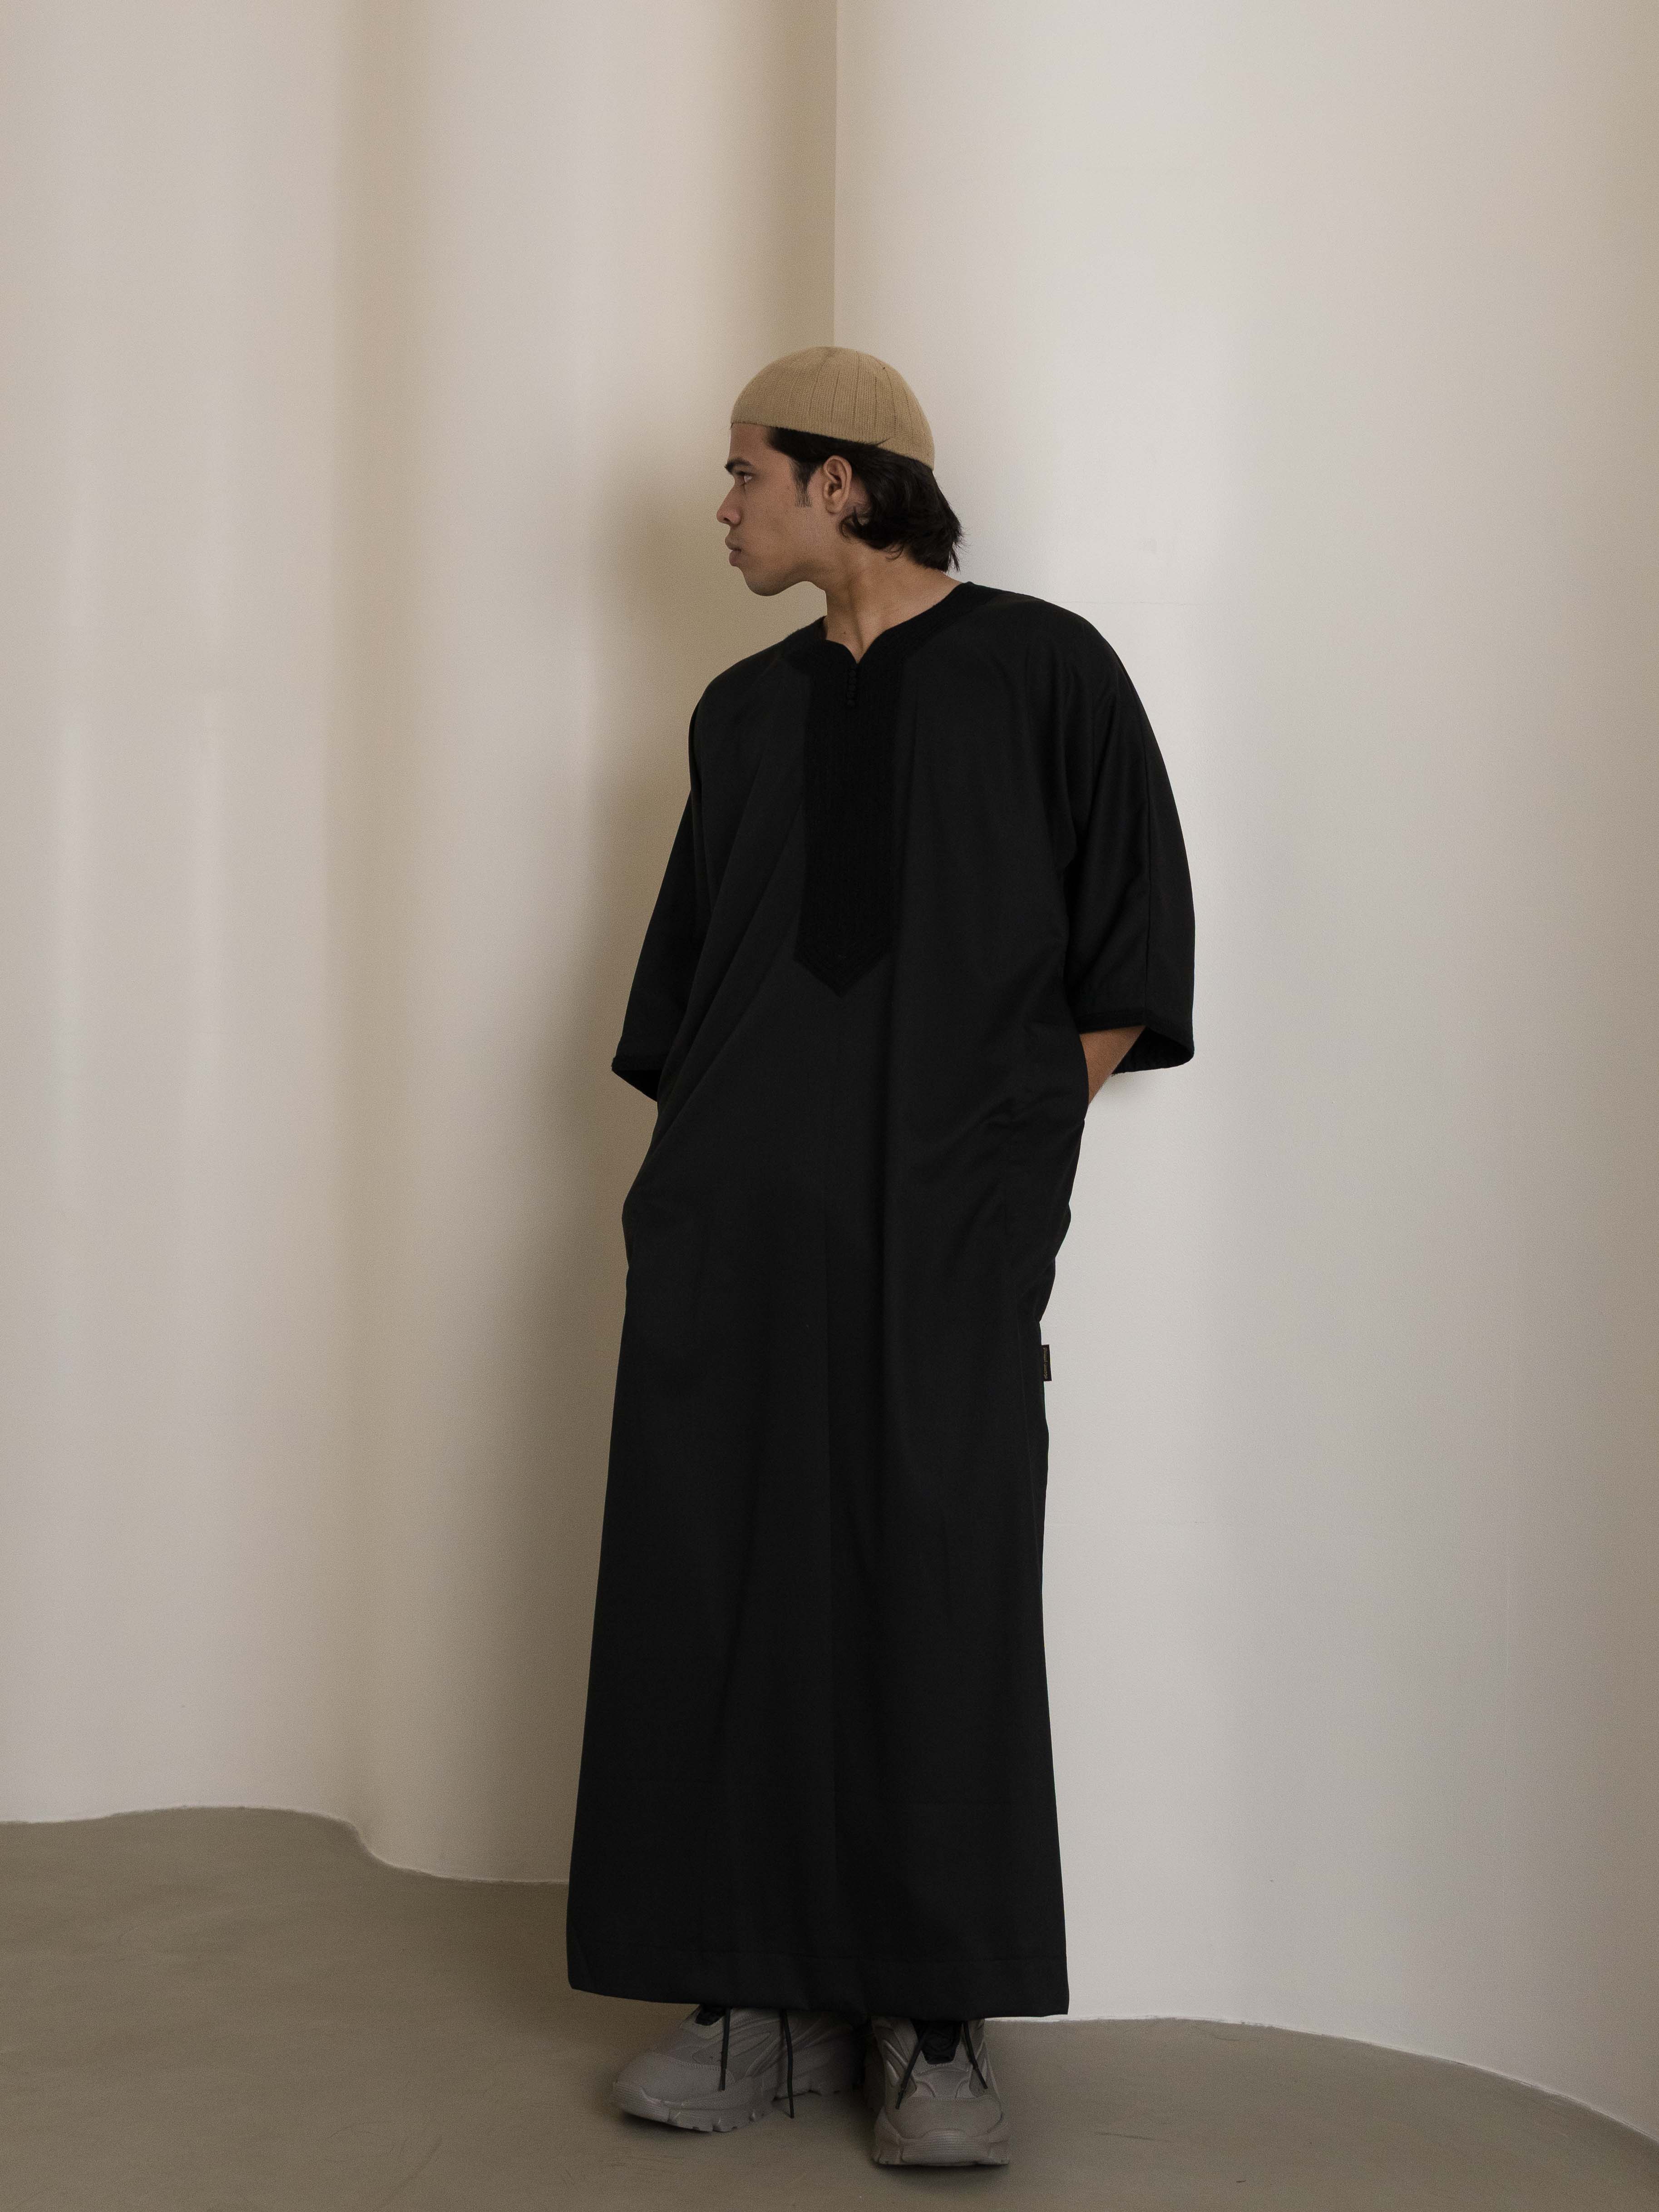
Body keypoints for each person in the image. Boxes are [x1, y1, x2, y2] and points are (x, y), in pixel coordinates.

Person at [566, 346, 1195, 2170]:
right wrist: (698, 1183)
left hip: (945, 1225)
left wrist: (1007, 1141)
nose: (722, 507)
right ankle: (752, 1998)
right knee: (721, 1570)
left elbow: (1132, 939)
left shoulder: (1046, 673)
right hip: (736, 1231)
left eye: (745, 472)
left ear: (840, 483)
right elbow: (690, 983)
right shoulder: (740, 715)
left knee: (936, 1574)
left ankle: (930, 2021)